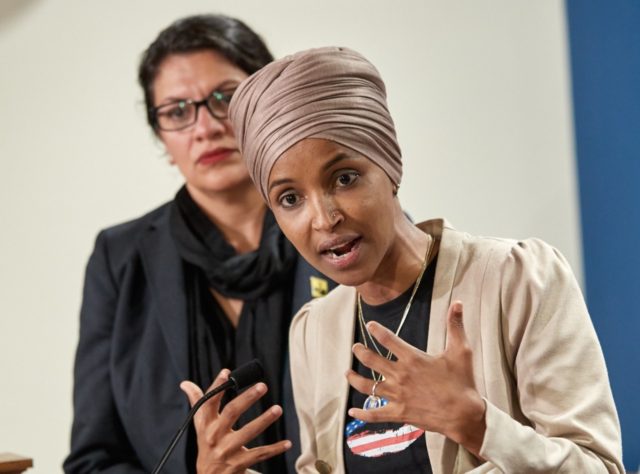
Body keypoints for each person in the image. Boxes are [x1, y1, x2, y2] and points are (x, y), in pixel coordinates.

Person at [223, 46, 625, 473]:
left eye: (344, 178)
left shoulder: (518, 278)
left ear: (390, 164)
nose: (324, 218)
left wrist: (476, 423)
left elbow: (596, 465)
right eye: (290, 199)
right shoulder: (314, 329)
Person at [64, 15, 334, 474]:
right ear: (163, 139)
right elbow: (94, 460)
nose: (205, 127)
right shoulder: (119, 258)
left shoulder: (343, 230)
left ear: (267, 106)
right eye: (176, 112)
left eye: (224, 98)